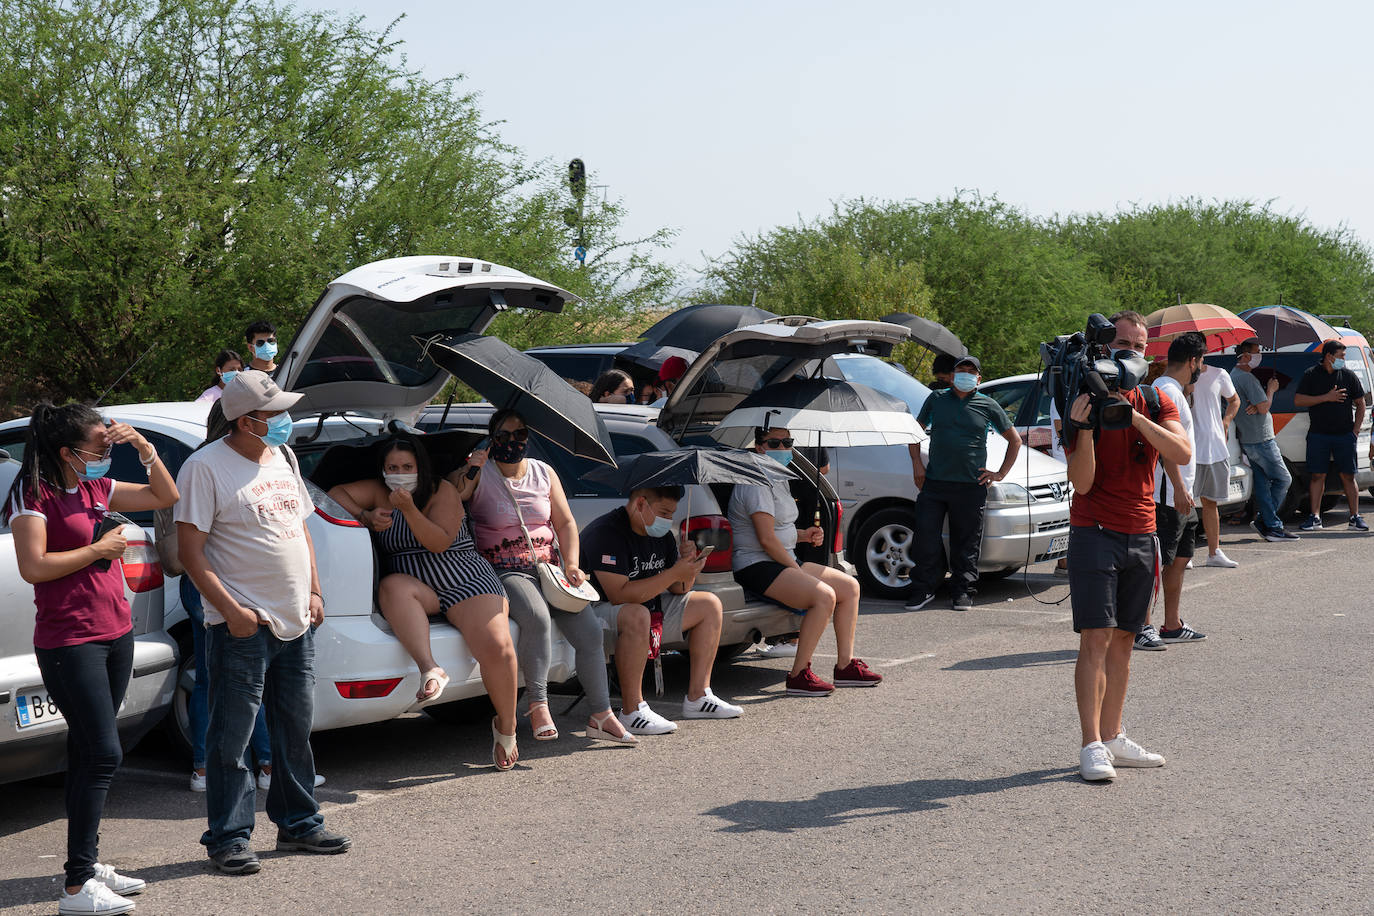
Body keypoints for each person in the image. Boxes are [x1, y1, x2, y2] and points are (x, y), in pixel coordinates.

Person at [4, 403, 178, 914]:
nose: (107, 454)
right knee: (104, 753)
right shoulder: (32, 495)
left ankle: (86, 862)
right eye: (100, 448)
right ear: (66, 452)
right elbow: (34, 567)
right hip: (69, 642)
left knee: (89, 752)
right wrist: (98, 551)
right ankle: (77, 888)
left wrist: (144, 450)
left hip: (115, 632)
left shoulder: (94, 486)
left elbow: (165, 495)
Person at [176, 370, 351, 875]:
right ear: (247, 420)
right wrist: (232, 611)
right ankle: (229, 837)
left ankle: (299, 823)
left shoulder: (284, 457)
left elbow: (299, 530)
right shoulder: (204, 467)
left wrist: (315, 590)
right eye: (275, 414)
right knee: (232, 739)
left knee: (293, 729)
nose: (284, 422)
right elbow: (191, 550)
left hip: (296, 621)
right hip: (242, 627)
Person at [328, 437, 520, 768]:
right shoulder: (377, 490)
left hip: (463, 576)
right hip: (417, 582)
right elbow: (334, 495)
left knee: (498, 647)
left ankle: (507, 727)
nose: (399, 474)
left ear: (420, 467)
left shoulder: (441, 490)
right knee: (391, 587)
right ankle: (430, 668)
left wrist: (409, 509)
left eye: (407, 467)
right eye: (392, 468)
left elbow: (438, 543)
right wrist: (366, 515)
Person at [454, 409, 637, 745]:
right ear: (492, 439)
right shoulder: (482, 473)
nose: (513, 442)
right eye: (504, 436)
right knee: (536, 619)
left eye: (520, 434)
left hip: (549, 569)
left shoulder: (544, 472)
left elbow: (565, 523)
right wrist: (473, 468)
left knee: (590, 631)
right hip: (505, 568)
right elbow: (459, 495)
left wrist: (572, 564)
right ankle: (537, 705)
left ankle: (601, 714)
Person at [1064, 310, 1191, 782]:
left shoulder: (1156, 399)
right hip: (1094, 531)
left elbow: (1181, 452)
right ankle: (1091, 743)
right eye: (1120, 343)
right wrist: (1088, 426)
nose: (1129, 352)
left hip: (1143, 532)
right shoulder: (1079, 401)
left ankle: (1114, 734)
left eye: (1138, 345)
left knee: (1125, 640)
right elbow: (1081, 483)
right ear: (1102, 347)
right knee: (1095, 637)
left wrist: (1133, 415)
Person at [728, 425, 881, 695]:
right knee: (824, 596)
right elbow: (765, 539)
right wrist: (794, 569)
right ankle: (799, 674)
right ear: (759, 446)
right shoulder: (756, 481)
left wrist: (804, 535)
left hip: (781, 559)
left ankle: (845, 667)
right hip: (756, 564)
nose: (783, 448)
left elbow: (778, 531)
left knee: (849, 587)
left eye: (787, 442)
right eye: (774, 443)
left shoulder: (778, 477)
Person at [579, 485, 744, 733]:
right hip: (598, 615)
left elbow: (679, 588)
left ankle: (699, 697)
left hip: (647, 611)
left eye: (672, 514)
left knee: (709, 604)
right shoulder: (606, 533)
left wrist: (689, 567)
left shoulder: (661, 535)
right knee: (637, 613)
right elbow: (618, 595)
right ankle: (632, 710)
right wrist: (673, 573)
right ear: (640, 504)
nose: (668, 520)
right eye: (664, 512)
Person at [905, 356, 1021, 612]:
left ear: (979, 379)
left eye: (971, 371)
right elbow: (913, 432)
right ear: (953, 374)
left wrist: (1000, 473)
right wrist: (917, 464)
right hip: (934, 484)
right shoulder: (937, 399)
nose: (966, 374)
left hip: (970, 486)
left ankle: (963, 592)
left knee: (966, 543)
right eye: (961, 370)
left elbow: (1015, 440)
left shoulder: (987, 404)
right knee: (925, 539)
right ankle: (922, 589)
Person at [1139, 332, 1208, 651]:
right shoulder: (1164, 390)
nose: (1203, 368)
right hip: (1168, 495)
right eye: (1202, 361)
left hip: (1182, 493)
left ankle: (1172, 624)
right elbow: (1167, 447)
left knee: (1180, 559)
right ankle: (1141, 626)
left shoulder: (1176, 390)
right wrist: (1179, 488)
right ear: (1192, 361)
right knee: (1157, 562)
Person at [1295, 340, 1368, 532]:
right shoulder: (1311, 375)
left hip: (1345, 435)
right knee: (1318, 475)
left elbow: (1361, 403)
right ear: (1329, 356)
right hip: (1318, 435)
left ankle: (1355, 517)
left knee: (1348, 475)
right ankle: (1315, 517)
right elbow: (1298, 400)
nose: (1344, 360)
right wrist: (1325, 397)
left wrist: (1355, 430)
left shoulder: (1348, 376)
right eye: (1341, 356)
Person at [1230, 339, 1299, 541]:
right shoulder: (1246, 378)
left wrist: (1258, 403)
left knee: (1262, 484)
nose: (1259, 355)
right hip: (1261, 439)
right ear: (1244, 356)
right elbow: (1263, 407)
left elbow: (1255, 406)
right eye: (1256, 352)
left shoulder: (1234, 376)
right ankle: (1270, 523)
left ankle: (1267, 523)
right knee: (1283, 479)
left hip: (1249, 438)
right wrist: (1271, 390)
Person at [1190, 357, 1241, 567]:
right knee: (1185, 503)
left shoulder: (1219, 373)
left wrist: (1226, 422)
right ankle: (1186, 555)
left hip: (1214, 448)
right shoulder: (1177, 378)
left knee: (1210, 502)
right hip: (1189, 448)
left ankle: (1214, 552)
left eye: (1199, 353)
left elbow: (1234, 400)